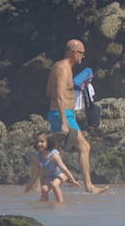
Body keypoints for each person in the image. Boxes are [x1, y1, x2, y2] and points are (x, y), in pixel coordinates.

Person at [45, 39, 108, 194]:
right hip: (63, 115)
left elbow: (49, 91)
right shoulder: (63, 68)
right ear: (73, 52)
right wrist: (65, 121)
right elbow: (59, 96)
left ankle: (43, 185)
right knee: (84, 147)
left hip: (59, 113)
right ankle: (89, 186)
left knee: (52, 151)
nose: (82, 57)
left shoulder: (61, 67)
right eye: (81, 53)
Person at [24, 133, 82, 202]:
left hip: (61, 174)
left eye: (42, 141)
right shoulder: (38, 157)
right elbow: (35, 172)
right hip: (50, 176)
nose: (39, 144)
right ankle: (43, 204)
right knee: (44, 188)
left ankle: (60, 203)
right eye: (37, 142)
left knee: (54, 184)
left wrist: (73, 180)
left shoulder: (54, 155)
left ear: (48, 142)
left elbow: (63, 168)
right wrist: (30, 184)